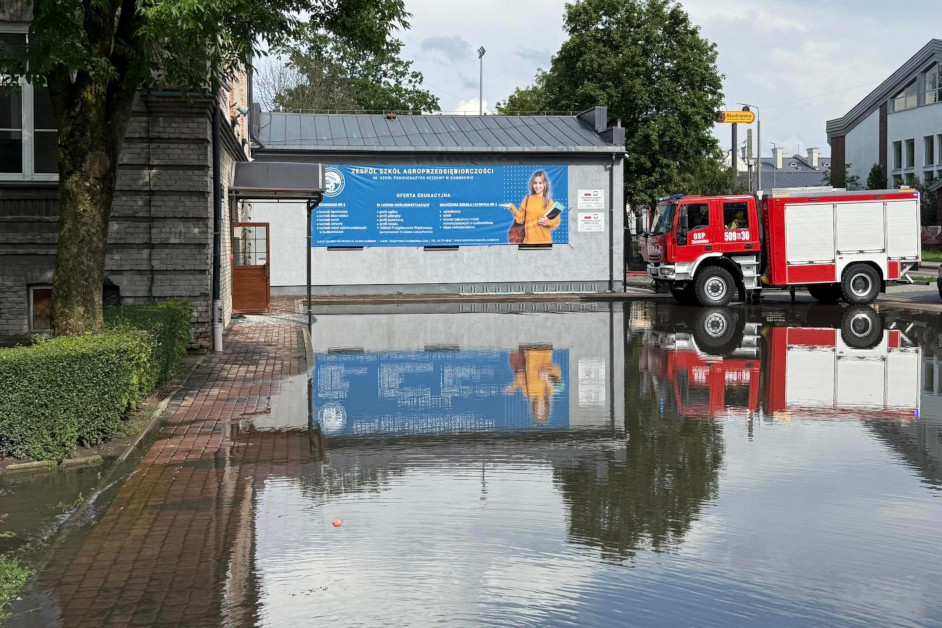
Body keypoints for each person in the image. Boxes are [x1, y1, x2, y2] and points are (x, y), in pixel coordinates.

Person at [505, 345, 562, 425]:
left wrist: (513, 386)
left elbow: (521, 374)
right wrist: (547, 373)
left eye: (537, 412)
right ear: (546, 409)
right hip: (544, 349)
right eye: (542, 412)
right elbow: (557, 368)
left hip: (528, 350)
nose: (539, 409)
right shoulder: (551, 390)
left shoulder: (528, 393)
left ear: (533, 410)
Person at [499, 170, 561, 244]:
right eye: (535, 183)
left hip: (545, 242)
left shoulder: (549, 202)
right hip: (528, 242)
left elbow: (556, 223)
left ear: (545, 184)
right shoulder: (527, 199)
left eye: (540, 183)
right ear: (532, 184)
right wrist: (512, 207)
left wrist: (547, 222)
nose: (537, 186)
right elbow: (521, 219)